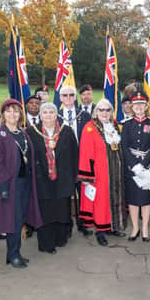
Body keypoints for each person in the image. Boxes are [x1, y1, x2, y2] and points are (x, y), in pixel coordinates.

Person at [0, 99, 43, 268]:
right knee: (12, 220)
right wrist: (3, 186)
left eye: (16, 111)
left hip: (25, 182)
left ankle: (15, 252)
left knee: (20, 219)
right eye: (9, 111)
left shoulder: (23, 134)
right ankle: (13, 255)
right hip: (9, 185)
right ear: (3, 114)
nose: (13, 114)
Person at [27, 102, 78, 253]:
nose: (48, 115)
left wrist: (74, 177)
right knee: (46, 211)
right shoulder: (31, 132)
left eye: (51, 112)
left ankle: (61, 238)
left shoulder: (67, 131)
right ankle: (47, 243)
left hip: (63, 178)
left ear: (56, 115)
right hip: (41, 179)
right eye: (45, 112)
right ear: (41, 115)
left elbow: (74, 155)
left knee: (61, 209)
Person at [78, 99, 126, 246]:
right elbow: (85, 153)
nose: (104, 113)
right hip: (100, 174)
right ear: (96, 112)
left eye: (107, 110)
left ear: (111, 112)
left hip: (116, 173)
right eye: (101, 110)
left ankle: (113, 226)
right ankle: (101, 231)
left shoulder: (115, 126)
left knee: (115, 199)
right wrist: (87, 176)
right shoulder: (89, 128)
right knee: (101, 202)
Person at [121, 92, 150, 242]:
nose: (138, 107)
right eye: (136, 104)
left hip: (146, 167)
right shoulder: (127, 124)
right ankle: (135, 227)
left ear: (146, 106)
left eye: (141, 104)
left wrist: (142, 165)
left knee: (145, 199)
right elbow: (124, 146)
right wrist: (133, 164)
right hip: (131, 167)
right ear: (131, 106)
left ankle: (144, 229)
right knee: (132, 199)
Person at [58, 84, 92, 237]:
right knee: (65, 194)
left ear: (75, 97)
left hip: (82, 160)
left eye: (71, 95)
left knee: (83, 193)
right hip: (63, 162)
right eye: (65, 95)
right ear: (60, 98)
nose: (68, 98)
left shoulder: (84, 116)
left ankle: (83, 223)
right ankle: (66, 225)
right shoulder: (55, 116)